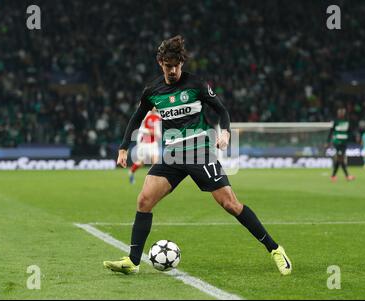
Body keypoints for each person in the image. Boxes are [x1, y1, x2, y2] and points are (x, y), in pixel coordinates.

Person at [103, 35, 292, 275]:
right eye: (167, 66)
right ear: (160, 63)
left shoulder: (196, 85)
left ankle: (275, 249)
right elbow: (137, 117)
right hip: (172, 155)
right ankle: (133, 261)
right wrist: (123, 147)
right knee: (144, 201)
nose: (172, 70)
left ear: (182, 63)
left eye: (176, 66)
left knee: (230, 204)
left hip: (199, 151)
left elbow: (222, 110)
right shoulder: (152, 90)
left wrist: (225, 133)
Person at [128, 109, 162, 184]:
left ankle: (152, 181)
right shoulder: (146, 114)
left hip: (153, 142)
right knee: (141, 162)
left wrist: (158, 133)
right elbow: (140, 128)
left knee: (155, 163)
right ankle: (131, 172)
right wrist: (149, 131)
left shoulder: (158, 116)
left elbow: (158, 128)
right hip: (144, 142)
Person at [327, 108, 355, 182]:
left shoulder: (347, 122)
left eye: (342, 113)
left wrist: (350, 138)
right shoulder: (335, 121)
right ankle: (347, 176)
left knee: (339, 160)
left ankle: (333, 176)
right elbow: (331, 131)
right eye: (340, 113)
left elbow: (349, 131)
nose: (341, 114)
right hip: (337, 142)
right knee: (341, 158)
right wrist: (328, 141)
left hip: (344, 143)